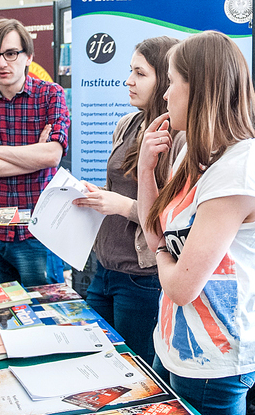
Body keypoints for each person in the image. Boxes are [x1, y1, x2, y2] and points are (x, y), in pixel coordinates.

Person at [137, 30, 255, 415]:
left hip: (213, 363)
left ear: (199, 88)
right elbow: (155, 235)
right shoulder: (198, 152)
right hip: (174, 346)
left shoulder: (240, 169)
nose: (165, 95)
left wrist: (163, 256)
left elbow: (181, 286)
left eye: (172, 82)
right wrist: (145, 169)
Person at [72, 36, 182, 365]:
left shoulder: (178, 136)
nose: (128, 81)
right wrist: (93, 194)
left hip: (141, 275)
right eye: (130, 71)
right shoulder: (127, 124)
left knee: (136, 371)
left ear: (165, 79)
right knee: (98, 361)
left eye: (140, 73)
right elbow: (118, 186)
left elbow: (174, 214)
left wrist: (120, 205)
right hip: (105, 267)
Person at [0, 18, 70, 288]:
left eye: (11, 53)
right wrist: (33, 158)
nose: (2, 63)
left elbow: (52, 156)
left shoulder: (50, 94)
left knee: (45, 308)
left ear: (28, 57)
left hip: (37, 229)